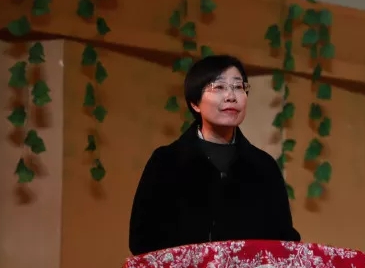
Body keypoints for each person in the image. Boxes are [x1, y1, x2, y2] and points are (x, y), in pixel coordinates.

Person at [129, 54, 301, 255]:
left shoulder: (264, 166)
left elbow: (284, 242)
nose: (231, 96)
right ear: (195, 103)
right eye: (219, 87)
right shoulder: (166, 162)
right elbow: (142, 241)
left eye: (238, 87)